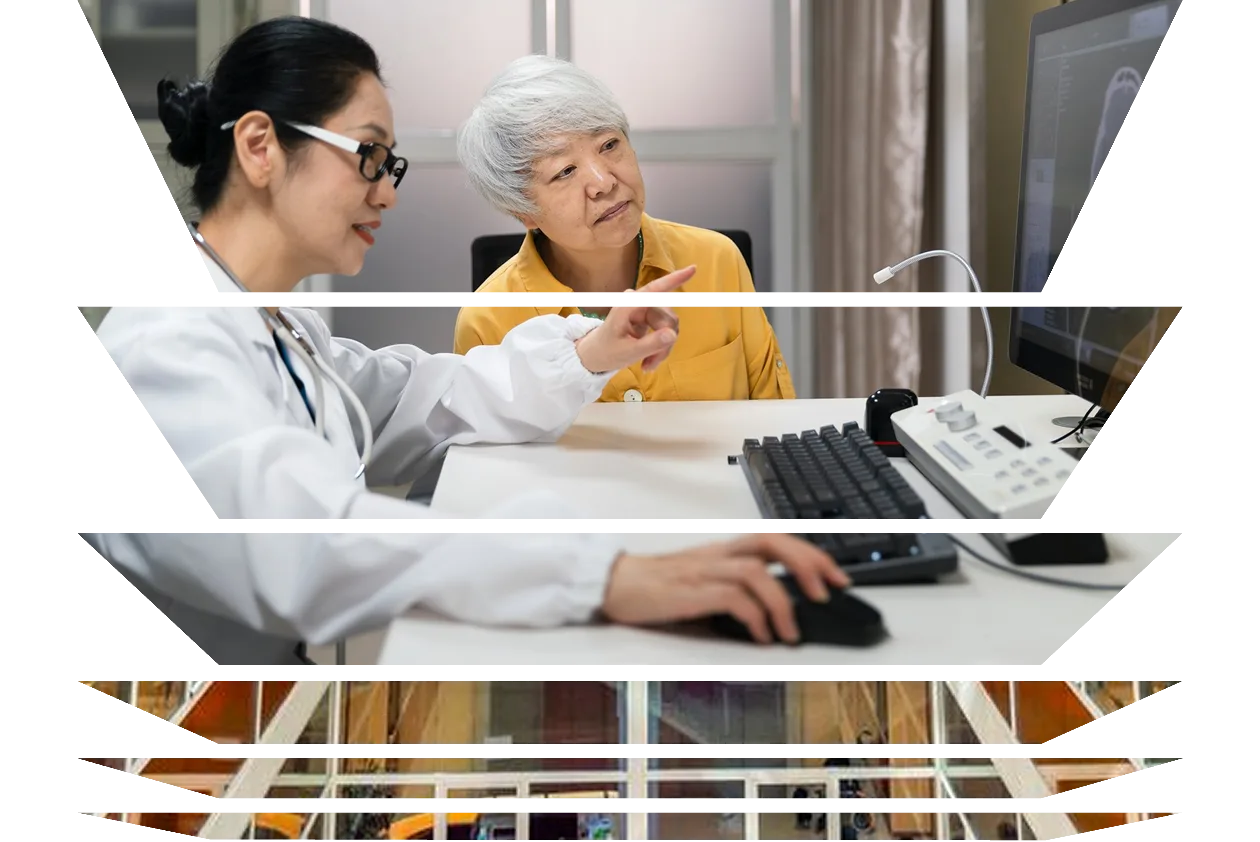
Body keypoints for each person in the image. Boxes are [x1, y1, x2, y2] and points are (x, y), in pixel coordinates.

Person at [79, 17, 849, 672]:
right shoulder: (165, 348)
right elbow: (311, 543)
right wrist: (599, 577)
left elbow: (426, 397)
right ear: (259, 146)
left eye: (393, 166)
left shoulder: (276, 330)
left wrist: (587, 352)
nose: (387, 192)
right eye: (370, 158)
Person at [452, 54, 795, 404]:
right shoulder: (487, 322)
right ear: (523, 211)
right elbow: (489, 456)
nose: (604, 181)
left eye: (609, 145)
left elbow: (774, 423)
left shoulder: (717, 260)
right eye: (565, 171)